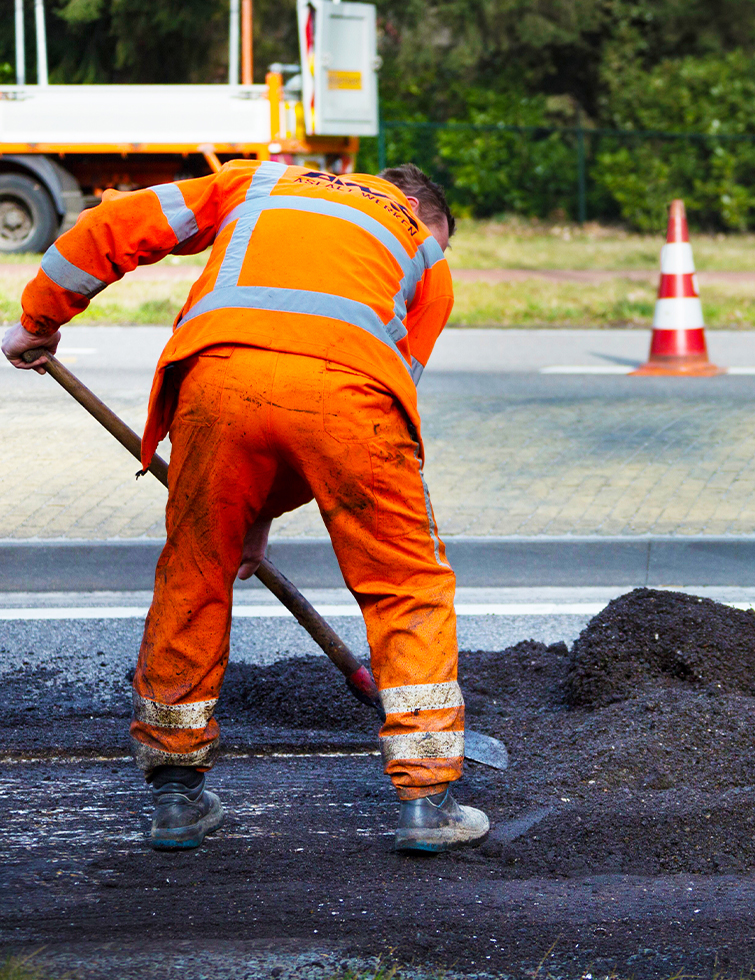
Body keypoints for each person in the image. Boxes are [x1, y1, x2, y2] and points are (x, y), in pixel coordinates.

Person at [2, 161, 489, 855]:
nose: (431, 252)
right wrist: (270, 504)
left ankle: (175, 797)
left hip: (218, 381)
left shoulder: (259, 180)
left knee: (195, 574)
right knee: (405, 586)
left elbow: (113, 225)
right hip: (352, 395)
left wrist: (38, 320)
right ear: (420, 211)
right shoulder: (423, 254)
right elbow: (355, 422)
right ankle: (427, 801)